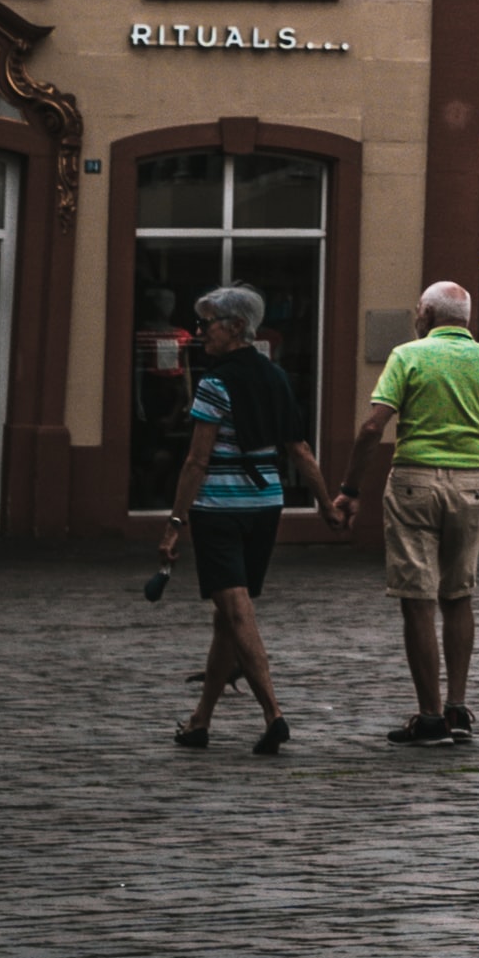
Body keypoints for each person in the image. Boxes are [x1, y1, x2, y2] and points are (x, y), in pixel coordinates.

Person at [339, 280, 479, 747]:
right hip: (472, 483)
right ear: (467, 320)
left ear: (426, 314)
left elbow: (371, 427)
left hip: (415, 480)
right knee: (458, 594)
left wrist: (350, 488)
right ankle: (458, 708)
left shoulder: (408, 356)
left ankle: (431, 716)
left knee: (417, 599)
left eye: (419, 311)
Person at [160, 283, 323, 754]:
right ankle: (199, 721)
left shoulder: (215, 382)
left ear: (234, 328)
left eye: (207, 324)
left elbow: (196, 460)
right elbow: (300, 450)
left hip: (221, 510)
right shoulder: (275, 377)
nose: (201, 333)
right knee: (227, 619)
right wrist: (327, 503)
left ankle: (274, 712)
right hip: (265, 505)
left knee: (235, 609)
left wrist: (174, 523)